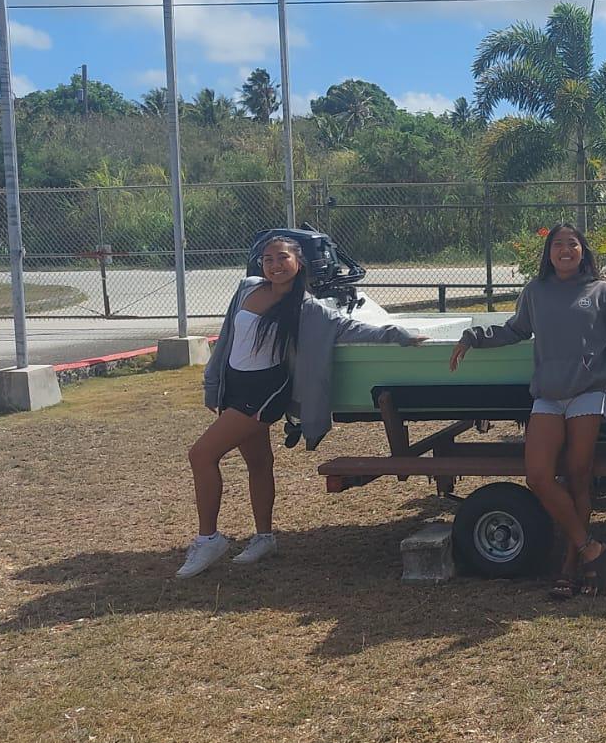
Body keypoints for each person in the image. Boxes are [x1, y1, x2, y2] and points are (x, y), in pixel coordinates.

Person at [178, 236, 427, 578]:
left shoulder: (307, 307)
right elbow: (227, 339)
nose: (275, 266)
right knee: (259, 463)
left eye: (283, 258)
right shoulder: (248, 288)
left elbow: (348, 328)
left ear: (299, 263)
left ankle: (208, 539)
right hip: (234, 387)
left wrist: (398, 334)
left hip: (263, 392)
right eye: (268, 259)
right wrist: (213, 384)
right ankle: (265, 538)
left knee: (201, 455)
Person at [449, 223, 606, 598]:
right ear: (549, 254)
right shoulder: (536, 292)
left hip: (588, 393)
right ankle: (591, 548)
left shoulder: (602, 291)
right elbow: (515, 330)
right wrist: (473, 336)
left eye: (572, 244)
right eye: (558, 244)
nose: (565, 250)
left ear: (583, 251)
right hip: (548, 395)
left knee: (578, 477)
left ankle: (572, 566)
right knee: (539, 476)